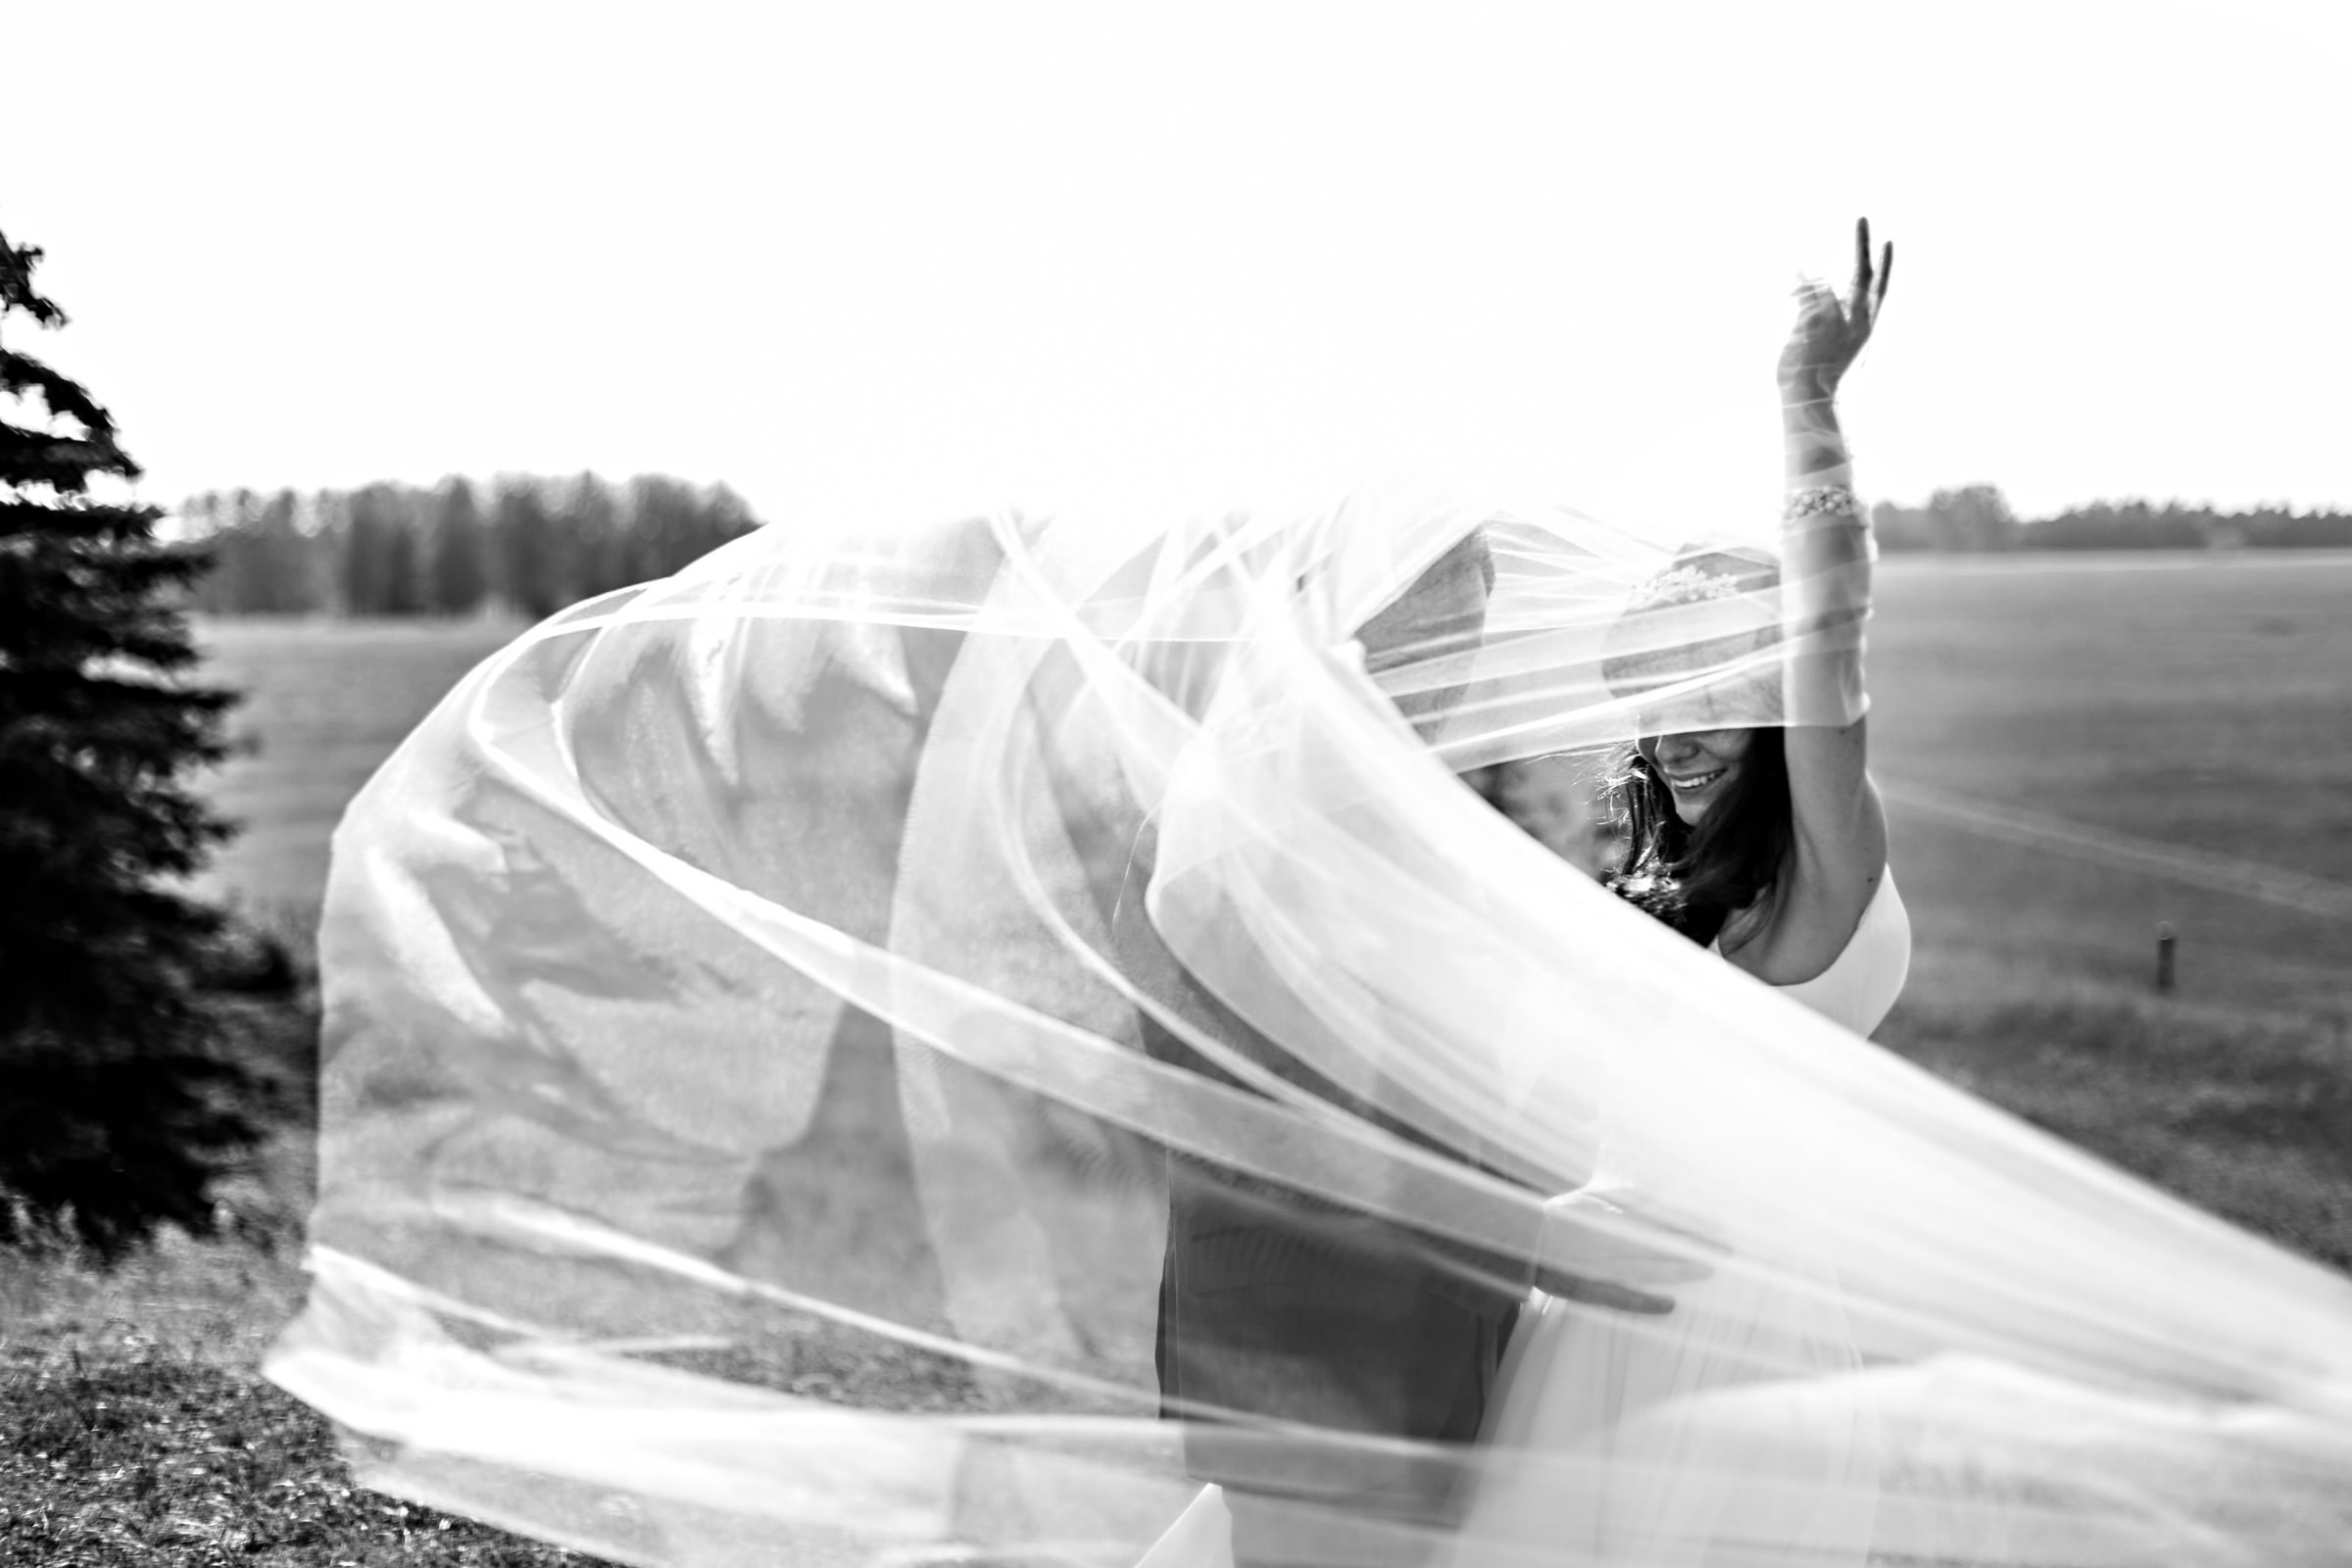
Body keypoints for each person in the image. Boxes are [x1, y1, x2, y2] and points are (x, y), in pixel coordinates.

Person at [1449, 220, 1906, 1567]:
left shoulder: (1823, 874)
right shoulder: (1640, 873)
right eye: (1661, 689)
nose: (1686, 726)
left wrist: (1804, 402)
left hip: (1740, 1345)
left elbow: (1829, 640)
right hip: (1586, 1320)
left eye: (1726, 691)